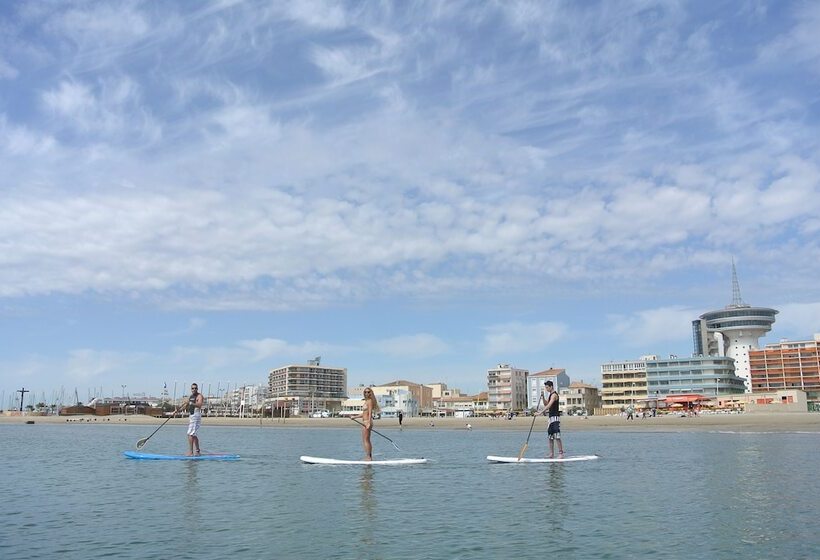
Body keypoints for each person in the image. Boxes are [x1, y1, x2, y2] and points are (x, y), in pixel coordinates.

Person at [171, 383, 204, 456]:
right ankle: (198, 451)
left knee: (190, 433)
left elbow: (199, 405)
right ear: (191, 389)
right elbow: (185, 406)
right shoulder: (191, 397)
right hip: (192, 416)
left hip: (196, 415)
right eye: (192, 388)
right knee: (193, 434)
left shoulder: (199, 396)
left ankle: (191, 452)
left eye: (195, 388)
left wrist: (191, 403)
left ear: (197, 389)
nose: (194, 389)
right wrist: (177, 411)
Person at [353, 387, 380, 461]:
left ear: (371, 393)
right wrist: (354, 417)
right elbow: (364, 413)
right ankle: (369, 456)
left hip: (367, 422)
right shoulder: (366, 401)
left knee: (366, 440)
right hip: (365, 421)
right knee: (366, 439)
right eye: (365, 392)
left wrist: (368, 423)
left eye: (368, 392)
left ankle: (368, 457)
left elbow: (370, 413)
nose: (366, 393)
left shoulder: (369, 401)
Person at [539, 380, 564, 459]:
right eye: (545, 387)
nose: (546, 389)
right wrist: (543, 397)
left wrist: (540, 412)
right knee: (550, 436)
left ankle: (561, 454)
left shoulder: (554, 395)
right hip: (550, 418)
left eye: (547, 387)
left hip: (555, 418)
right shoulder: (550, 395)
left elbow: (549, 405)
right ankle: (551, 454)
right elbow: (546, 404)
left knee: (557, 436)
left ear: (551, 387)